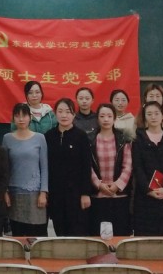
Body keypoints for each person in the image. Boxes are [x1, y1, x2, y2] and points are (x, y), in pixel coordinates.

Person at [131, 101, 163, 235]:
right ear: (144, 117)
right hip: (145, 196)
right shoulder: (138, 140)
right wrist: (148, 190)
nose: (153, 117)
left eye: (156, 113)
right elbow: (137, 168)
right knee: (146, 235)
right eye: (149, 114)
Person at [45, 98, 93, 235]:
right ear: (55, 114)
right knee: (60, 232)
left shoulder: (81, 136)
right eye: (60, 111)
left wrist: (85, 193)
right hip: (55, 194)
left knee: (76, 233)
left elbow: (86, 166)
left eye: (68, 112)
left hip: (76, 195)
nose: (64, 115)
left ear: (74, 114)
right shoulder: (49, 136)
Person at [3, 102, 48, 236]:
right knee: (18, 234)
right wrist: (5, 192)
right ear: (13, 118)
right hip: (14, 193)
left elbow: (44, 167)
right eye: (17, 116)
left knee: (37, 233)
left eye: (24, 115)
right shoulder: (7, 138)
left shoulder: (40, 138)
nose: (21, 119)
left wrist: (43, 193)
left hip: (35, 194)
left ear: (30, 117)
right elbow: (4, 168)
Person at [89, 103, 133, 236]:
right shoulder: (90, 139)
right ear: (97, 119)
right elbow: (87, 166)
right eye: (102, 116)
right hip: (97, 196)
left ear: (114, 118)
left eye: (109, 116)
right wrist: (98, 184)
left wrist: (117, 185)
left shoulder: (123, 139)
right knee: (98, 236)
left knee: (120, 235)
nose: (106, 119)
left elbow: (128, 165)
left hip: (119, 196)